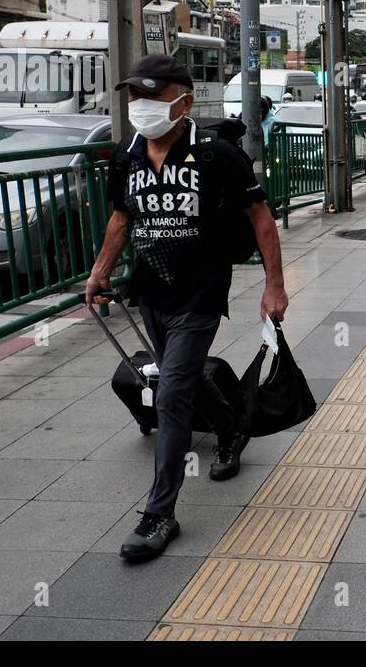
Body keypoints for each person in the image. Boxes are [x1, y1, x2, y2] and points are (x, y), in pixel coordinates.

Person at [85, 54, 289, 563]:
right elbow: (120, 219)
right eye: (135, 97)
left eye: (152, 97)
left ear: (183, 101)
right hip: (151, 289)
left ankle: (160, 513)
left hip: (201, 290)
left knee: (171, 389)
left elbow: (261, 219)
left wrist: (274, 287)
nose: (142, 107)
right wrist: (100, 272)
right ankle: (229, 429)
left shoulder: (217, 156)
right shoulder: (125, 155)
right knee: (188, 373)